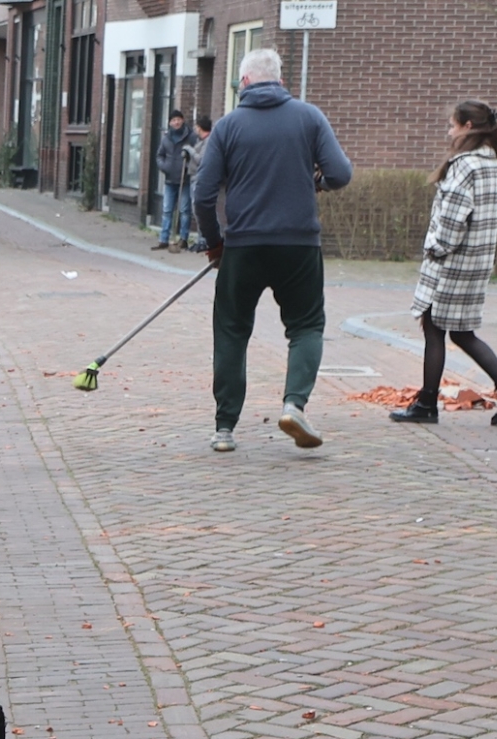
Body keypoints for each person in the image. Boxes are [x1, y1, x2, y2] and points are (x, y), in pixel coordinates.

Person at [192, 47, 352, 453]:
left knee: (231, 329)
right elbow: (340, 174)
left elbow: (203, 195)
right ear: (280, 80)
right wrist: (315, 179)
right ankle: (294, 404)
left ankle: (225, 427)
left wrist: (214, 244)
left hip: (244, 245)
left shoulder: (228, 127)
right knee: (306, 326)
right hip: (298, 244)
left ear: (243, 82)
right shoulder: (309, 117)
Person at [391, 101, 497, 425]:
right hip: (478, 260)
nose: (449, 131)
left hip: (453, 261)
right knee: (461, 331)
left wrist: (436, 247)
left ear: (468, 126)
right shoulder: (493, 164)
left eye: (453, 125)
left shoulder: (465, 165)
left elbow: (453, 218)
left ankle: (427, 404)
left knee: (435, 326)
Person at [152, 109, 195, 251]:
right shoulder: (166, 138)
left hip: (185, 179)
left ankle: (183, 239)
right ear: (170, 123)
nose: (176, 122)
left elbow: (197, 154)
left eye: (178, 119)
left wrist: (189, 166)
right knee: (167, 210)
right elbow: (159, 156)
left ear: (182, 120)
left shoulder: (191, 137)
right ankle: (164, 239)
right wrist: (165, 167)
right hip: (170, 180)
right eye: (173, 120)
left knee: (184, 210)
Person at [182, 117, 212, 248]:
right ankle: (201, 239)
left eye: (196, 127)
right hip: (194, 178)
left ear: (200, 127)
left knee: (199, 210)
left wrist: (190, 150)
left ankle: (203, 240)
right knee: (196, 210)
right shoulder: (201, 141)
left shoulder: (208, 142)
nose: (194, 130)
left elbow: (201, 160)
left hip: (199, 179)